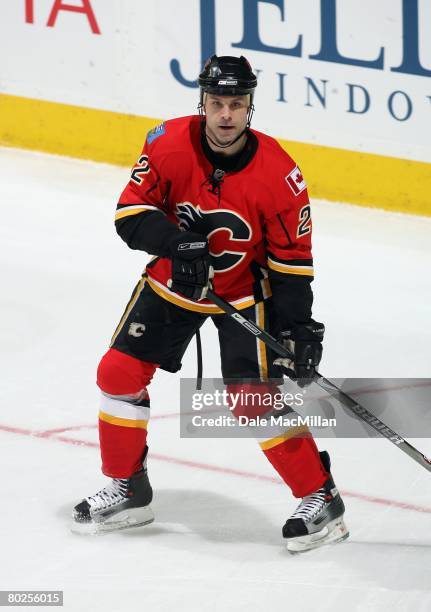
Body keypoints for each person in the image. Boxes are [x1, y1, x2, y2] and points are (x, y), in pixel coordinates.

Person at [72, 55, 348, 552]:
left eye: (236, 104)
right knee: (117, 373)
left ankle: (320, 497)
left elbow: (292, 261)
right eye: (216, 103)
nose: (225, 114)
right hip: (173, 284)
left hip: (243, 292)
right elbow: (130, 213)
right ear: (202, 102)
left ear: (249, 107)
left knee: (251, 401)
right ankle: (129, 488)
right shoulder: (166, 142)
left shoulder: (281, 175)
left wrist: (300, 328)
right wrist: (178, 244)